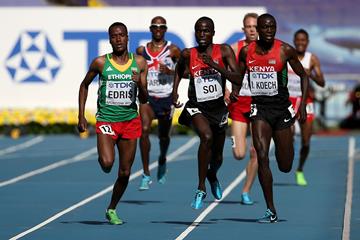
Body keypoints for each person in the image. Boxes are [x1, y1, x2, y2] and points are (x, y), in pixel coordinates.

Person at [202, 13, 309, 223]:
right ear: (258, 30)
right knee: (260, 155)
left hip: (281, 110)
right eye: (265, 27)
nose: (269, 31)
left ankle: (284, 152)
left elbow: (304, 76)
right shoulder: (246, 51)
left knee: (285, 165)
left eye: (272, 27)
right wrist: (218, 69)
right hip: (259, 109)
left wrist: (303, 104)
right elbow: (240, 79)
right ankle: (271, 209)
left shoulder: (285, 50)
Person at [77, 22, 148, 225]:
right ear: (109, 39)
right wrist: (81, 116)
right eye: (114, 36)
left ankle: (111, 208)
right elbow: (84, 86)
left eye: (121, 35)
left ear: (128, 38)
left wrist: (139, 84)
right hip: (107, 120)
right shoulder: (100, 62)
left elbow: (144, 99)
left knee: (125, 172)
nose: (118, 39)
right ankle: (104, 152)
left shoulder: (140, 63)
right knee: (107, 164)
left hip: (130, 121)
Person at [172, 16, 240, 209]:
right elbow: (178, 71)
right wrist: (174, 92)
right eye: (199, 31)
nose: (202, 34)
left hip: (218, 109)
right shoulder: (188, 54)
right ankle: (201, 187)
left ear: (213, 33)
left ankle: (212, 175)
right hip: (197, 106)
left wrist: (215, 66)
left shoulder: (224, 51)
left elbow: (237, 77)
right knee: (206, 137)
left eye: (206, 31)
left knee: (217, 157)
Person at [136, 16, 181, 190]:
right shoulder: (141, 50)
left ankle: (162, 158)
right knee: (144, 130)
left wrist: (169, 70)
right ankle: (146, 173)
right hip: (148, 97)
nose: (158, 29)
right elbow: (137, 69)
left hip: (166, 97)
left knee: (163, 136)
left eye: (161, 27)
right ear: (150, 28)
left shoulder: (173, 50)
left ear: (165, 29)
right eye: (155, 26)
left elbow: (183, 72)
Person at [227, 12, 259, 205]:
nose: (253, 30)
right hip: (239, 104)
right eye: (249, 26)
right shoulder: (234, 48)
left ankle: (246, 190)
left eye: (256, 26)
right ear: (243, 29)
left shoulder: (267, 49)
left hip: (259, 104)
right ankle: (236, 144)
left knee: (257, 151)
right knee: (239, 154)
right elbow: (219, 71)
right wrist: (224, 90)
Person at [288, 29, 325, 186]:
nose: (300, 43)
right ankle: (290, 143)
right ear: (294, 41)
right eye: (298, 40)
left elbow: (322, 83)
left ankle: (300, 170)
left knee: (306, 141)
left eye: (303, 40)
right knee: (288, 134)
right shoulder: (288, 55)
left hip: (305, 101)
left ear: (307, 42)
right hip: (288, 100)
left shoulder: (312, 59)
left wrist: (311, 75)